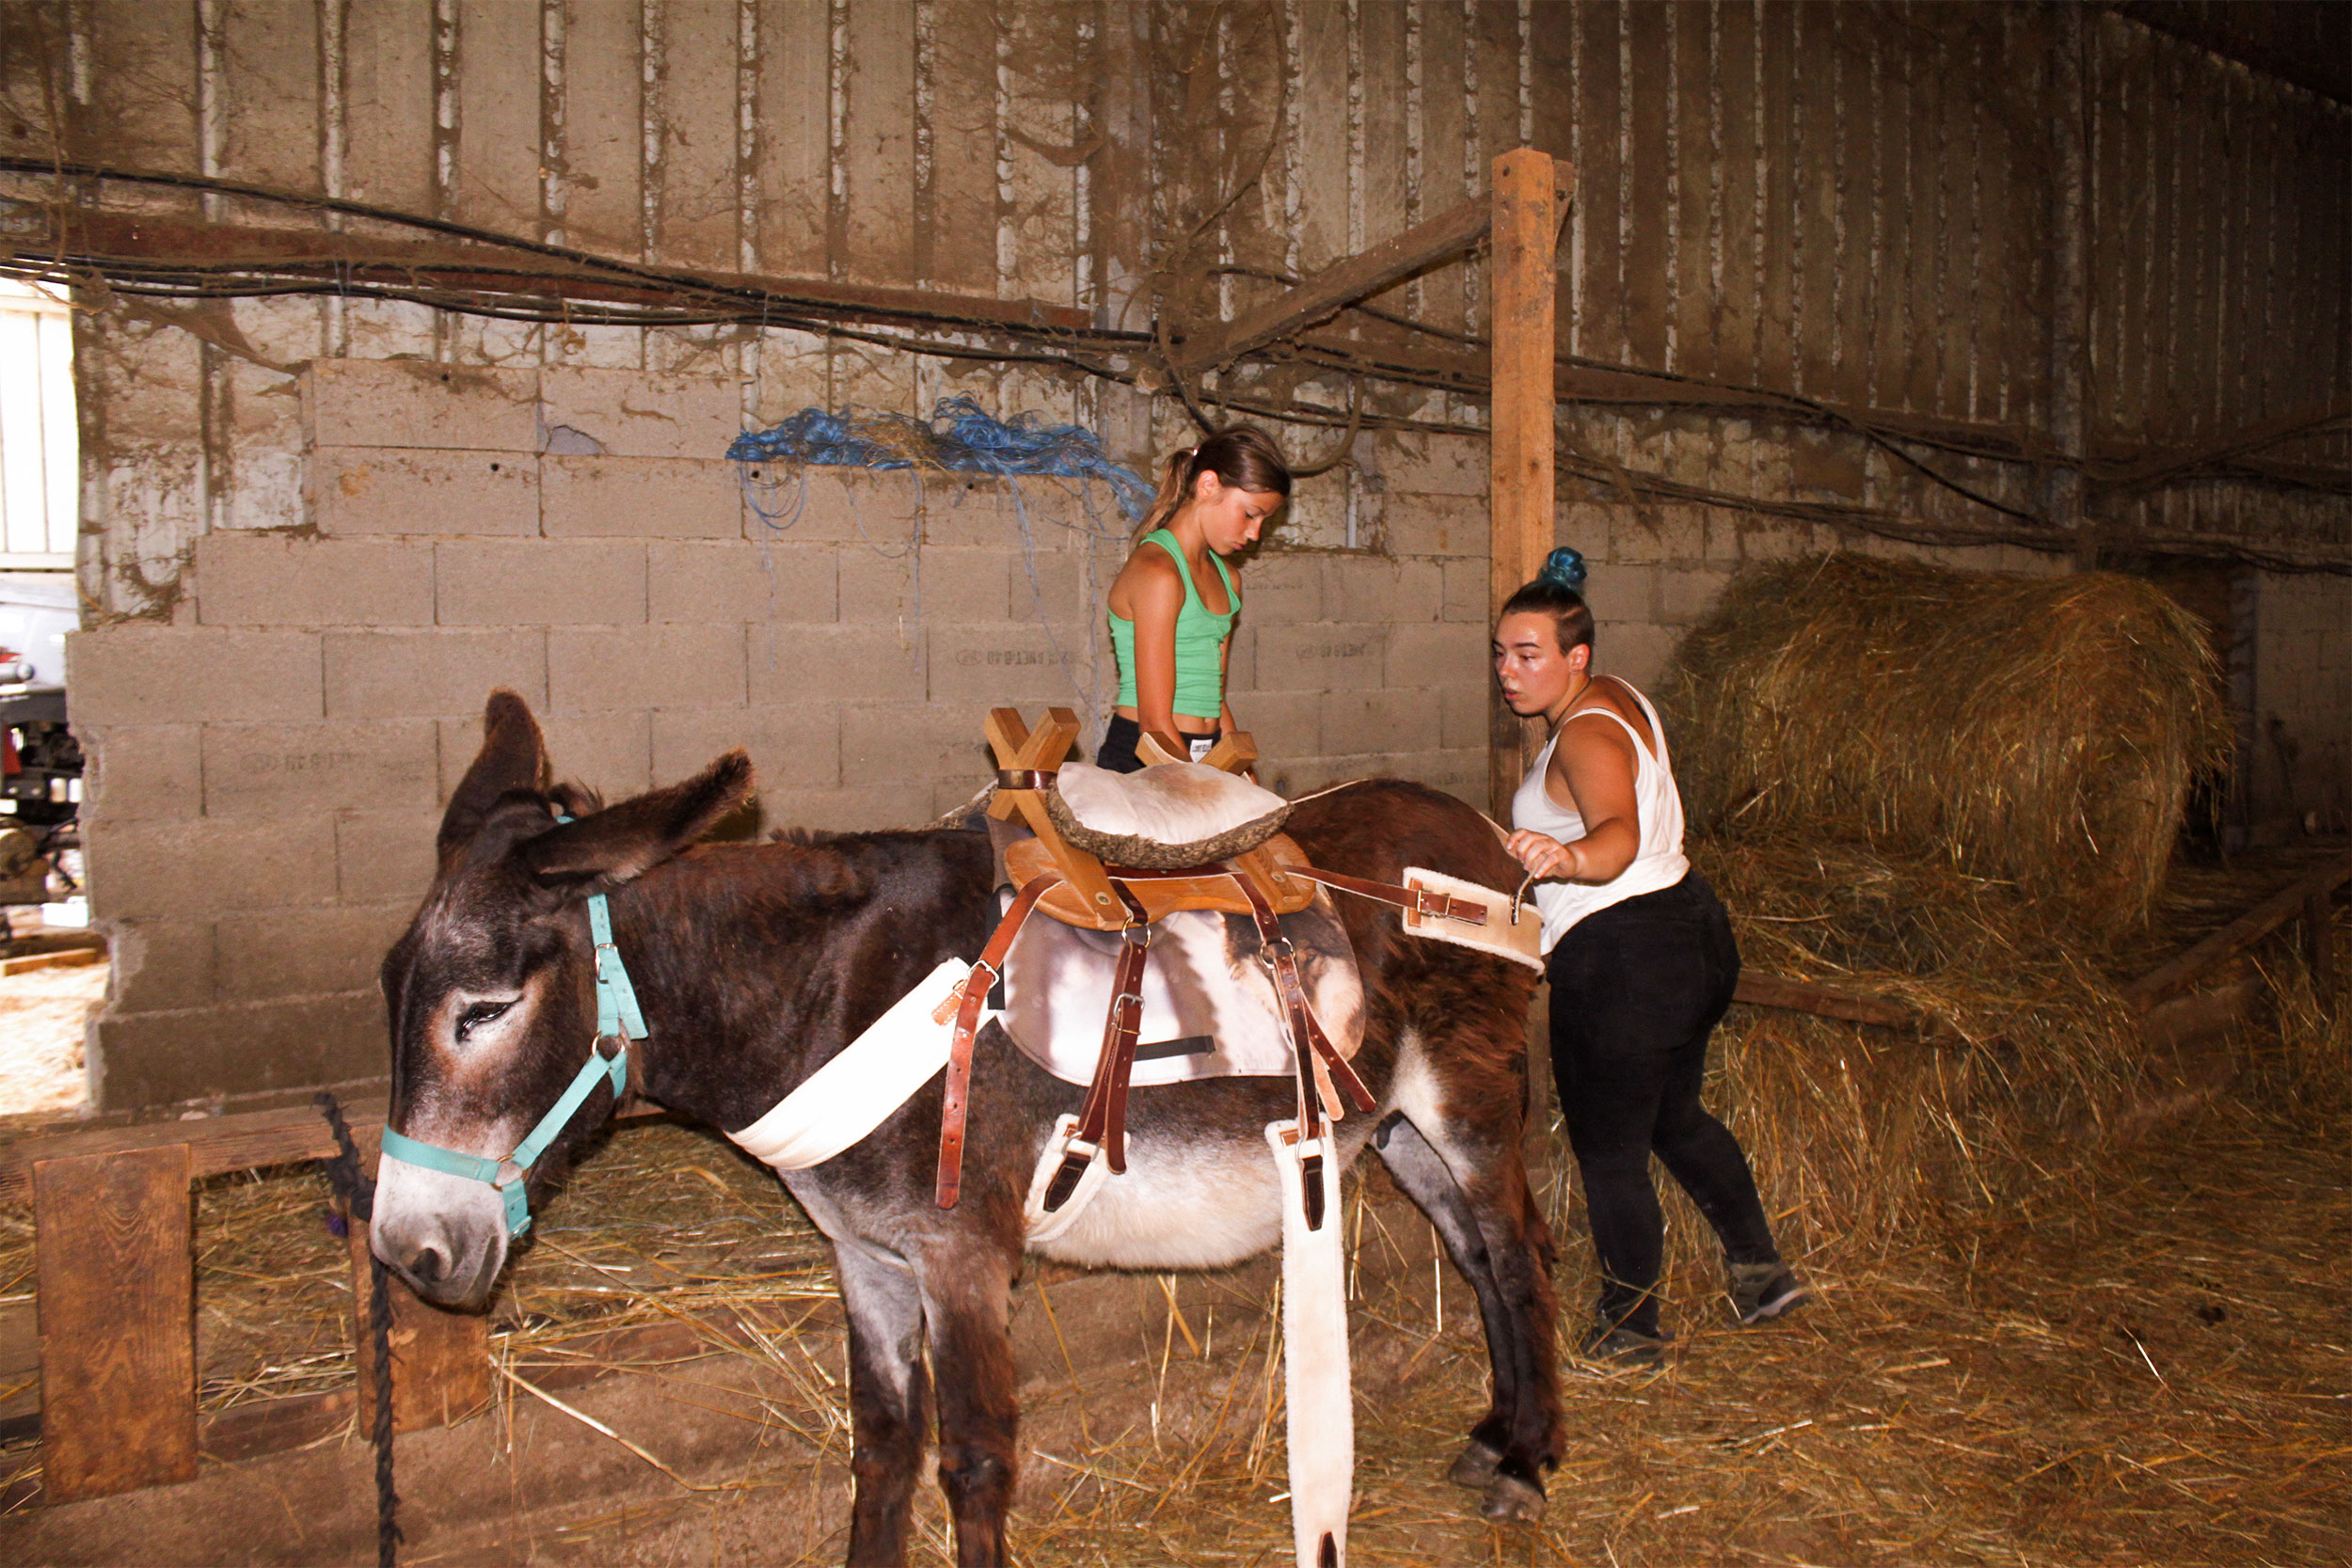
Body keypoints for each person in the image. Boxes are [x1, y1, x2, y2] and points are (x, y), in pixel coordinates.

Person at [1496, 546, 1807, 1367]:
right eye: (1501, 651)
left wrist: (1567, 861)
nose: (1509, 670)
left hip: (1623, 955)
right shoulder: (1616, 699)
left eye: (1528, 654)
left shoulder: (1582, 737)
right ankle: (1761, 1271)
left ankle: (1630, 1326)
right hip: (1692, 932)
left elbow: (1617, 839)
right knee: (1675, 1117)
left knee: (1610, 1153)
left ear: (1576, 656)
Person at [1096, 428, 1290, 773]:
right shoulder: (1158, 574)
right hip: (1147, 755)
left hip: (1205, 752)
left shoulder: (1227, 578)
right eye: (1250, 514)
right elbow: (1155, 724)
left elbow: (1213, 695)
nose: (1255, 533)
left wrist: (1242, 773)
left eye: (1264, 521)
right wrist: (1199, 790)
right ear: (1208, 485)